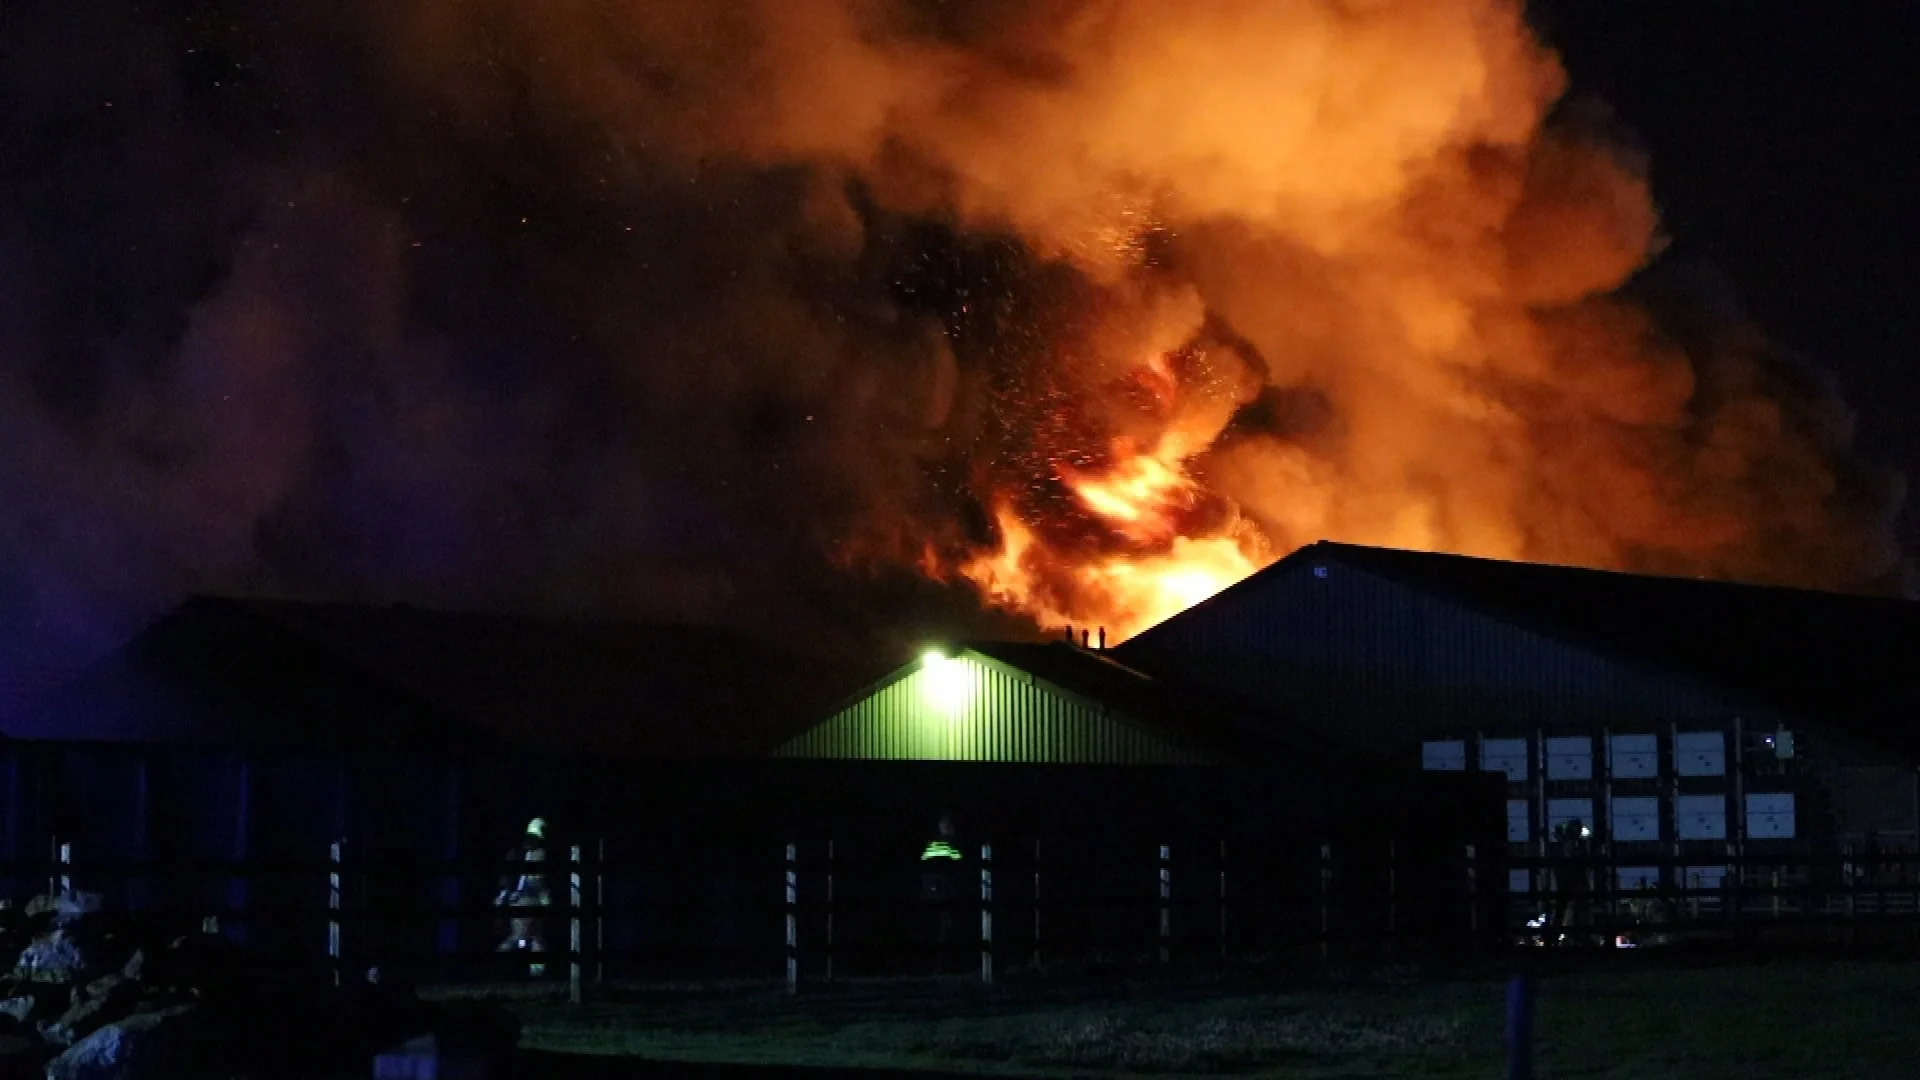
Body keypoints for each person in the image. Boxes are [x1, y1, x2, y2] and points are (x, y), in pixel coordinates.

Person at [497, 817, 551, 971]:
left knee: (524, 937)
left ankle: (501, 966)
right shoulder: (539, 853)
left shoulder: (515, 852)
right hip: (530, 899)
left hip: (515, 899)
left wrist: (502, 899)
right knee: (529, 938)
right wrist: (546, 901)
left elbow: (505, 878)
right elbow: (539, 881)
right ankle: (501, 965)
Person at [919, 814, 965, 973]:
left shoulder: (931, 844)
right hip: (946, 893)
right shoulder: (951, 844)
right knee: (947, 929)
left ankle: (934, 966)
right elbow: (958, 864)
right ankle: (945, 966)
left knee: (935, 929)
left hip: (931, 893)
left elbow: (924, 863)